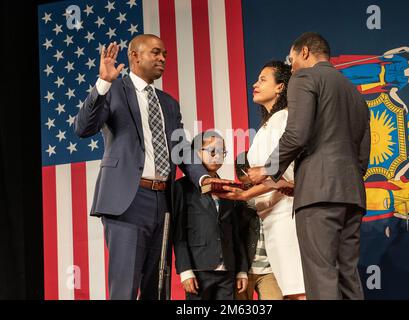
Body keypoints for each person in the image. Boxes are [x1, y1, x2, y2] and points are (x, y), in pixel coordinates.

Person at [74, 35, 224, 300]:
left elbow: (182, 149)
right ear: (134, 56)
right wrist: (103, 83)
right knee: (125, 289)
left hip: (163, 202)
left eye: (165, 54)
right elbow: (83, 127)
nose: (162, 59)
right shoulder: (114, 90)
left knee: (158, 288)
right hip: (128, 201)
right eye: (155, 52)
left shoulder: (168, 103)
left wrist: (203, 179)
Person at [248, 32, 371, 300]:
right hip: (351, 194)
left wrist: (267, 169)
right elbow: (363, 158)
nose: (291, 68)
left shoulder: (305, 77)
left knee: (321, 276)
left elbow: (297, 134)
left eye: (291, 60)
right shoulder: (355, 94)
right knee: (348, 275)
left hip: (318, 195)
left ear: (304, 52)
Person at [219, 61, 306, 299]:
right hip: (272, 217)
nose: (255, 84)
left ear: (280, 87)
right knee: (292, 292)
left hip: (287, 214)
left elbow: (287, 179)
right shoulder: (269, 123)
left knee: (298, 292)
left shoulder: (282, 118)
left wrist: (245, 194)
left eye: (263, 79)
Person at [173, 131, 248, 300]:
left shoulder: (228, 187)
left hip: (228, 270)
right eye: (212, 151)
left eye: (222, 152)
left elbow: (236, 233)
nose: (217, 156)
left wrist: (241, 269)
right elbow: (178, 233)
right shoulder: (182, 188)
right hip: (199, 270)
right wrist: (185, 271)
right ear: (196, 153)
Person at [234, 152, 283, 300]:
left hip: (270, 269)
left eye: (254, 183)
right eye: (246, 185)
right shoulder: (236, 200)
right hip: (243, 270)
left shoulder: (279, 191)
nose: (250, 188)